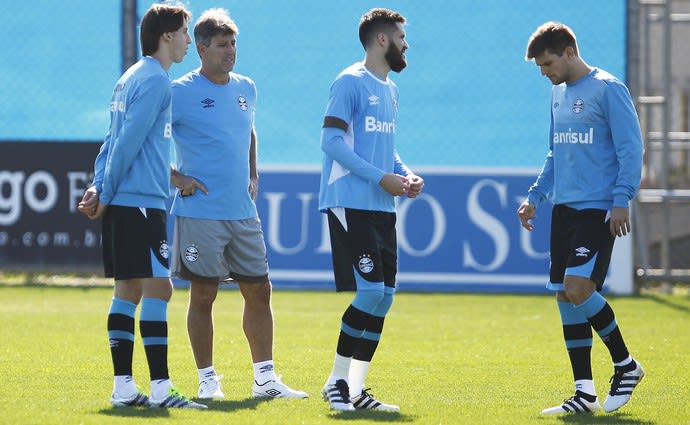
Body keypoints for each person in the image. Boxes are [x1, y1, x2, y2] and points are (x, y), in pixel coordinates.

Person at [168, 8, 307, 401]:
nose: (231, 51)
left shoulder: (247, 87)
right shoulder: (179, 91)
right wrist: (175, 178)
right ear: (201, 47)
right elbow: (147, 138)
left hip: (242, 212)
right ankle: (207, 379)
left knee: (259, 290)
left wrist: (253, 173)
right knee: (204, 295)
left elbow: (250, 131)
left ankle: (265, 379)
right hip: (200, 213)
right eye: (223, 45)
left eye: (234, 44)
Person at [77, 2, 206, 409]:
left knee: (128, 289)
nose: (188, 39)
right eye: (185, 31)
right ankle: (162, 390)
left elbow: (113, 140)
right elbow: (127, 142)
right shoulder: (156, 81)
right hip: (139, 204)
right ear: (167, 36)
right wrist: (107, 190)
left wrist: (100, 187)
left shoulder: (130, 77)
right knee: (159, 287)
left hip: (127, 199)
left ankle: (123, 388)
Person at [517, 22, 645, 415]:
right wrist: (536, 196)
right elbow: (555, 152)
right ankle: (584, 393)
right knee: (563, 294)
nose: (544, 71)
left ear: (569, 51)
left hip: (597, 207)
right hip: (564, 208)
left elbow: (631, 148)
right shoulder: (556, 94)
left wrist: (622, 199)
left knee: (577, 286)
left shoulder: (608, 89)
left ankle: (625, 364)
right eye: (539, 66)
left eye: (547, 63)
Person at [318, 7, 424, 412]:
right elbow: (331, 142)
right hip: (349, 202)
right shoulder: (349, 82)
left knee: (385, 297)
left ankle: (357, 390)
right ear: (382, 40)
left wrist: (405, 174)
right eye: (401, 36)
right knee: (371, 292)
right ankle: (336, 382)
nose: (405, 43)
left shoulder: (390, 90)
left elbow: (384, 148)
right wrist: (381, 178)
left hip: (381, 205)